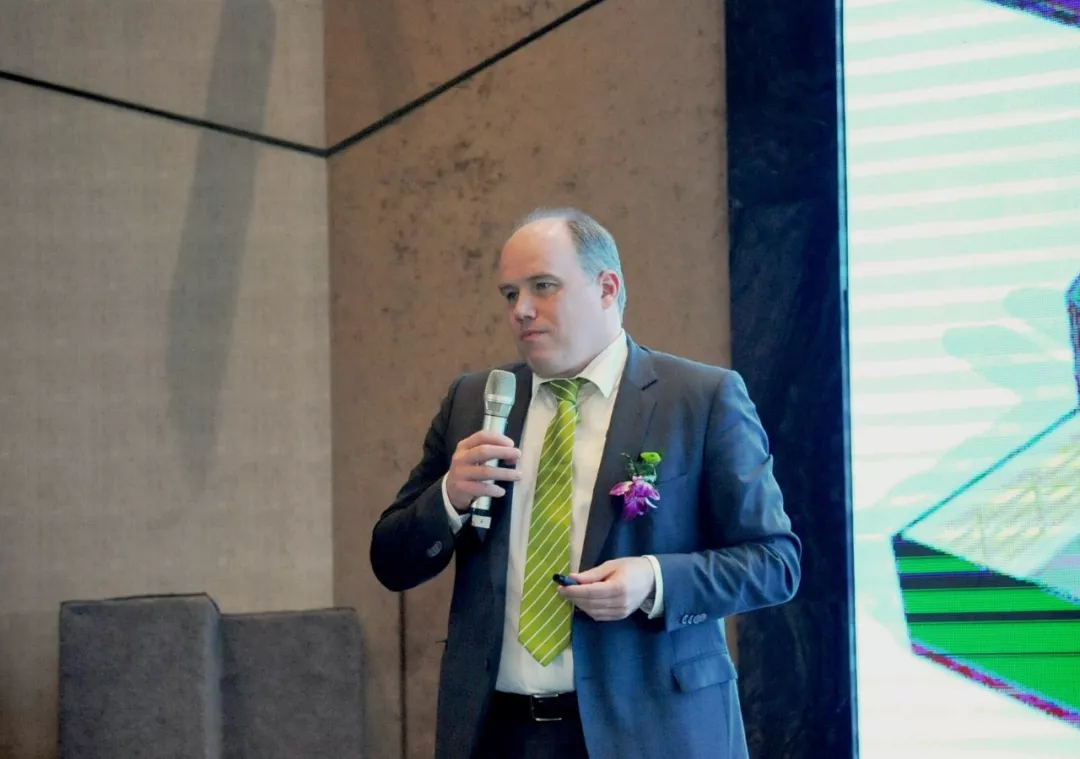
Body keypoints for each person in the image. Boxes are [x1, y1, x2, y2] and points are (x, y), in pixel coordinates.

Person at [370, 208, 800, 759]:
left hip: (653, 731)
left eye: (543, 287)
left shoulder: (698, 398)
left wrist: (653, 580)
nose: (521, 310)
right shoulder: (475, 402)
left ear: (606, 288)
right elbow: (391, 560)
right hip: (497, 734)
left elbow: (774, 562)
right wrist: (448, 499)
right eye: (510, 294)